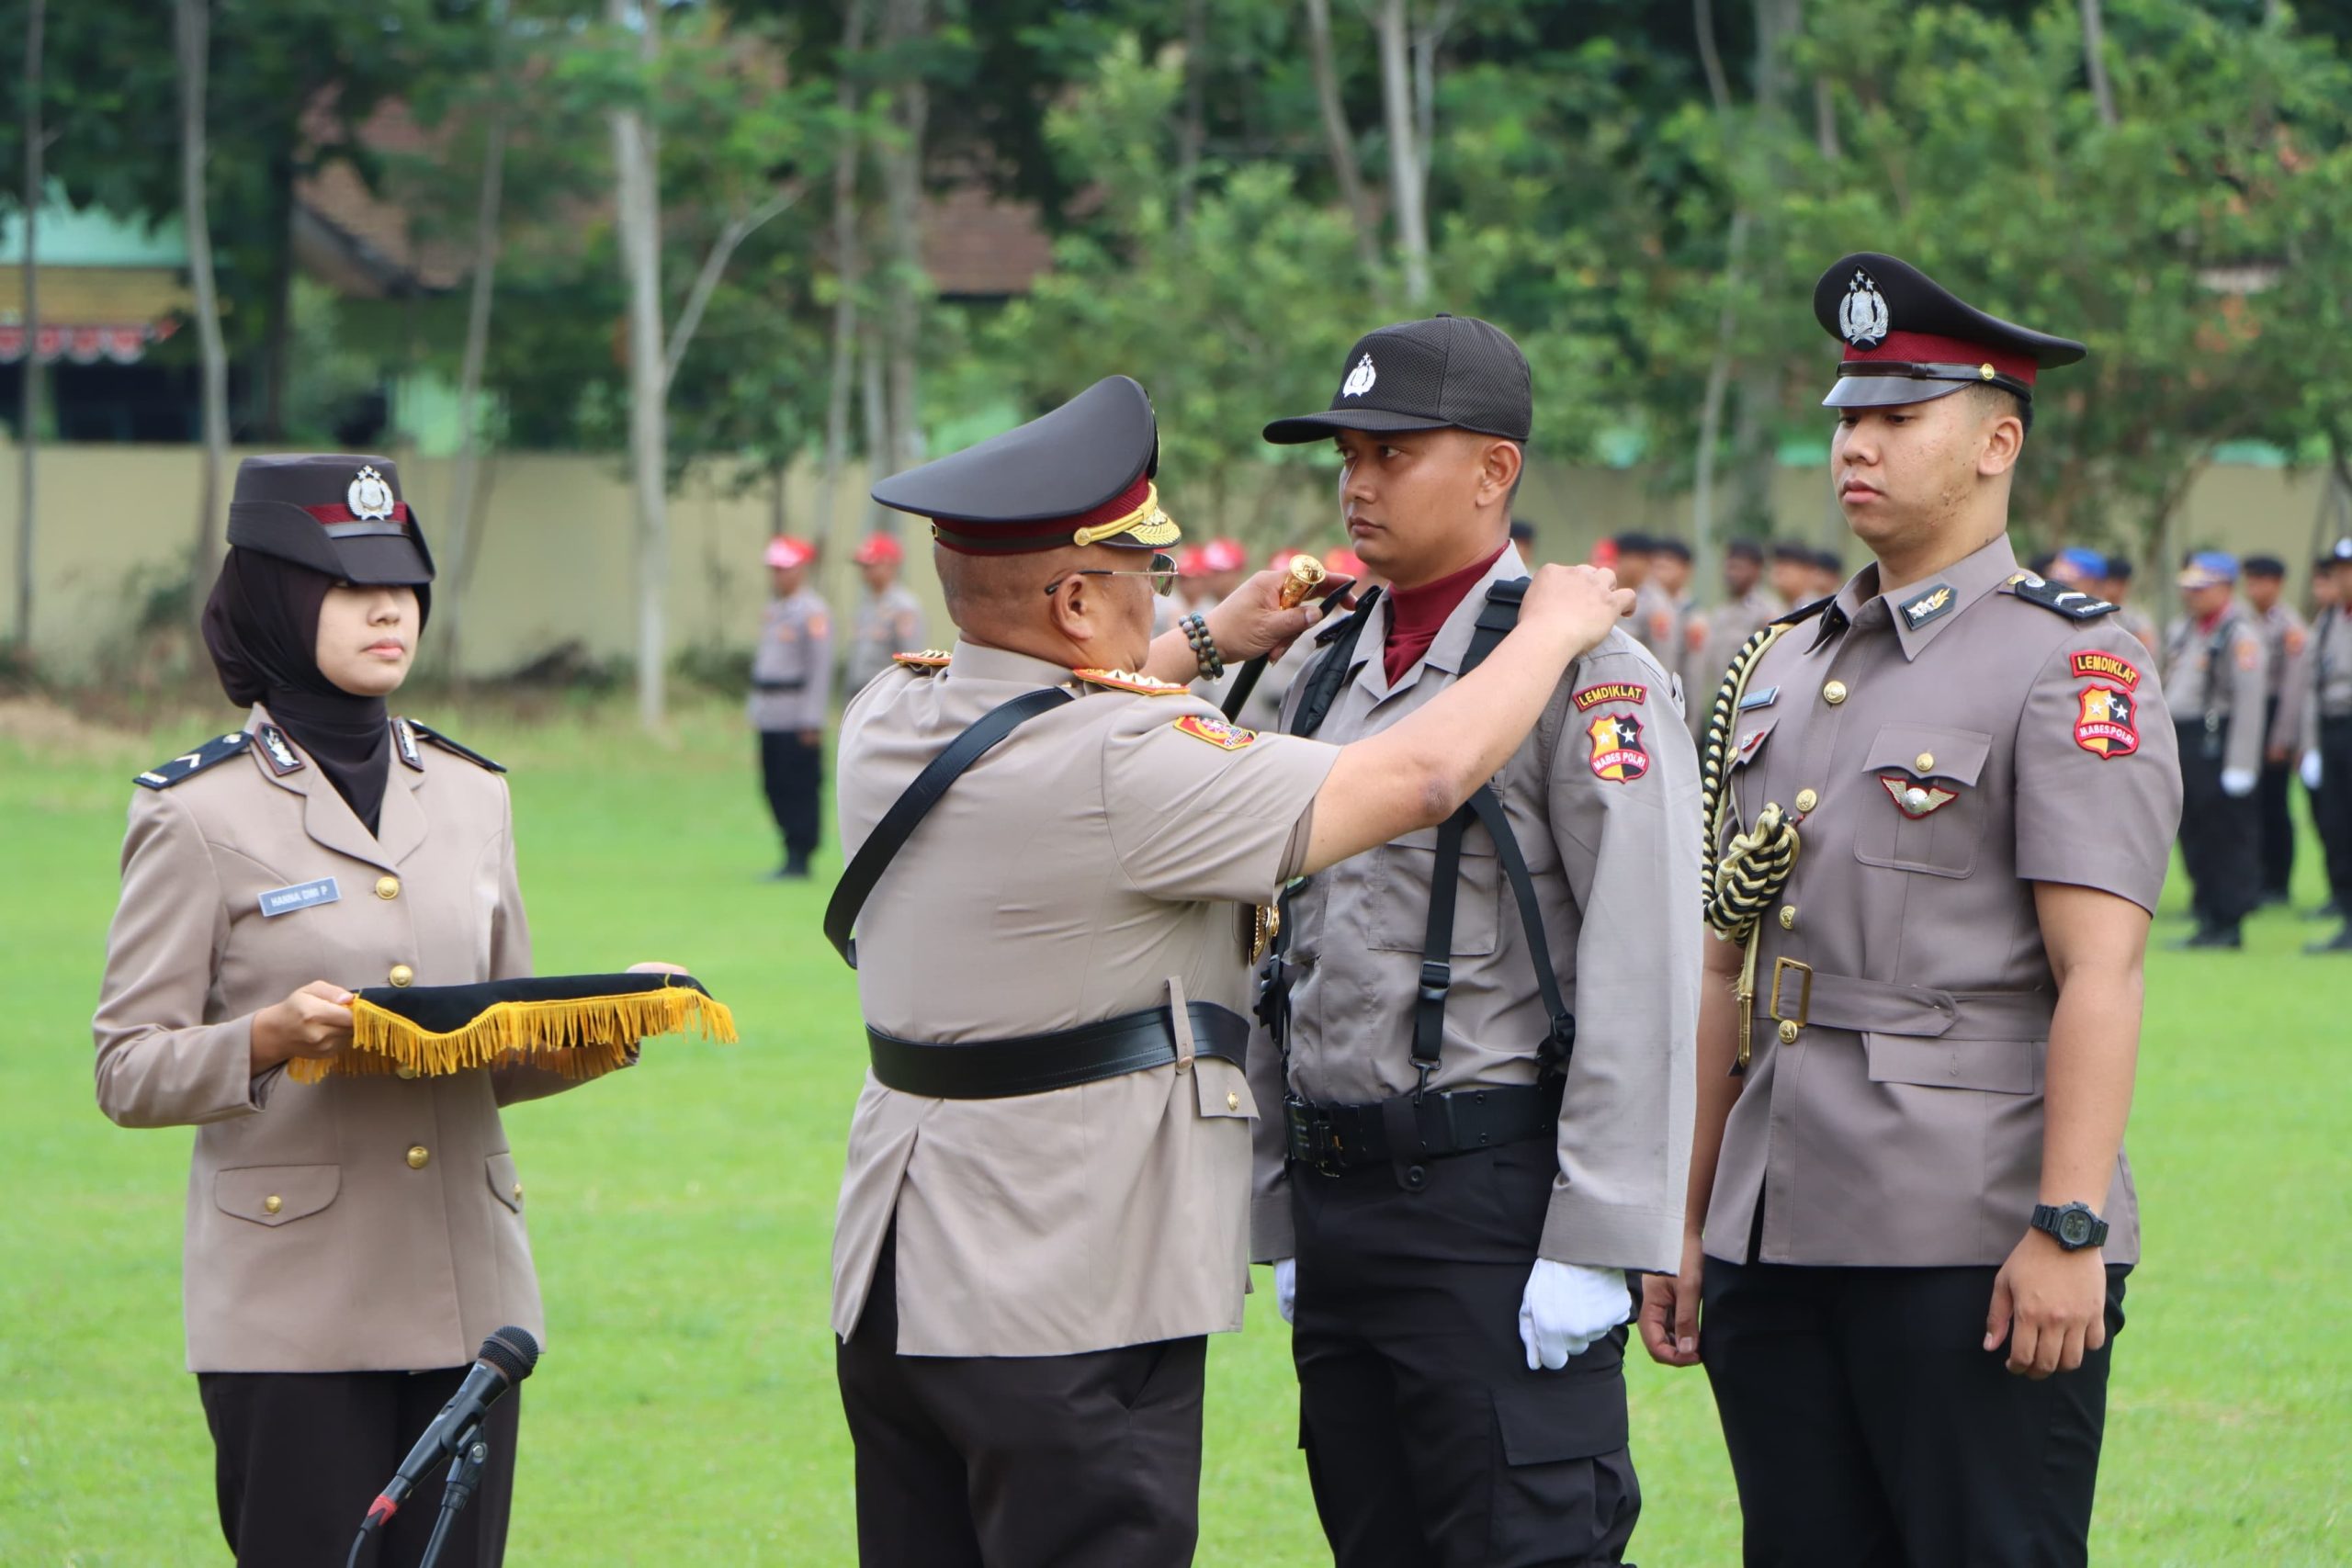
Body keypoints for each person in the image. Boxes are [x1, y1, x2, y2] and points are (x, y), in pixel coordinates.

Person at [825, 374, 1636, 1568]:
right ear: (1073, 597)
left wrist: (1208, 636)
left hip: (902, 1288)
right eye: (1141, 578)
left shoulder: (892, 710)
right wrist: (1557, 629)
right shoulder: (1133, 764)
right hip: (1069, 1290)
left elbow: (1041, 690)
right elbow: (1413, 780)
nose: (1164, 597)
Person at [1639, 253, 2182, 1568]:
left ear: (1998, 440)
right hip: (1776, 1220)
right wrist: (1691, 1215)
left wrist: (2068, 1226)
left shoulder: (2071, 661)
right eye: (1846, 417)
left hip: (1968, 1226)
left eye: (1896, 418)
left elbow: (2100, 972)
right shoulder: (1783, 658)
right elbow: (1730, 965)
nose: (1855, 447)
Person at [90, 454, 659, 1568]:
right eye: (349, 586)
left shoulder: (471, 794)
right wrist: (265, 1039)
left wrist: (605, 1025)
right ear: (274, 598)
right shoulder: (196, 814)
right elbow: (125, 1068)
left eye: (403, 583)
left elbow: (486, 1037)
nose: (390, 608)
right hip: (293, 1309)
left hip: (469, 1301)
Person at [1255, 314, 1698, 1568]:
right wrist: (1281, 1202)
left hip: (1492, 1204)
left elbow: (1644, 956)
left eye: (1393, 452)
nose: (1357, 482)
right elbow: (1286, 947)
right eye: (1347, 454)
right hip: (1342, 1197)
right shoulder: (1325, 661)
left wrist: (1598, 1239)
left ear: (1494, 469)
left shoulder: (1582, 672)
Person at [2163, 552, 2266, 948]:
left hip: (2218, 741)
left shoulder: (2238, 634)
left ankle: (2228, 920)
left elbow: (2250, 702)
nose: (2192, 596)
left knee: (2225, 835)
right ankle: (2206, 914)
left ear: (2225, 588)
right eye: (2189, 588)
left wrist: (2241, 764)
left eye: (2201, 588)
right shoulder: (2187, 630)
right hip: (2187, 742)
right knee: (2196, 833)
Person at [750, 536, 833, 879]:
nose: (778, 576)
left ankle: (801, 853)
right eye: (774, 569)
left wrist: (811, 719)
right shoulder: (775, 611)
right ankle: (787, 847)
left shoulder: (812, 612)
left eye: (784, 569)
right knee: (774, 784)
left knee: (799, 784)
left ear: (801, 570)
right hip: (771, 714)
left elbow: (820, 667)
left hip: (797, 714)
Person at [2243, 556, 2311, 907]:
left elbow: (2293, 687)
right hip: (2250, 716)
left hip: (2275, 714)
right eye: (2250, 581)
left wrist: (2282, 737)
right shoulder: (2245, 621)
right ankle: (2254, 876)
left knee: (2274, 805)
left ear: (2277, 584)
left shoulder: (2289, 626)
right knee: (2248, 806)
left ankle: (2277, 882)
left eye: (2260, 581)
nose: (2253, 589)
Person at [2302, 539, 2352, 950]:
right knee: (2337, 827)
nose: (2344, 577)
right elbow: (2310, 686)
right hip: (2334, 729)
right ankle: (2347, 915)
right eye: (2339, 569)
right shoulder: (2329, 620)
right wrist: (2312, 745)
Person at [1686, 539, 1777, 739]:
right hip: (1723, 706)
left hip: (1752, 708)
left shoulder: (1766, 612)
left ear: (1756, 570)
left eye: (1738, 567)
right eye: (1728, 567)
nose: (1731, 573)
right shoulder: (1721, 612)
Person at [844, 534, 926, 696]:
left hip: (886, 694)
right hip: (861, 691)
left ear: (890, 566)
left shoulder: (904, 606)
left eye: (870, 566)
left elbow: (912, 658)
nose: (864, 572)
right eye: (863, 566)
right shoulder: (866, 604)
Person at [2098, 553, 2160, 653]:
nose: (2117, 588)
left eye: (2121, 583)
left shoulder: (2135, 617)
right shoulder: (2093, 611)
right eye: (2114, 582)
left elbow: (2148, 648)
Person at [1767, 540, 1813, 609]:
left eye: (1785, 563)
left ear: (1806, 570)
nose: (1778, 570)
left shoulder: (1820, 611)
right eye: (1776, 563)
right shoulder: (1767, 610)